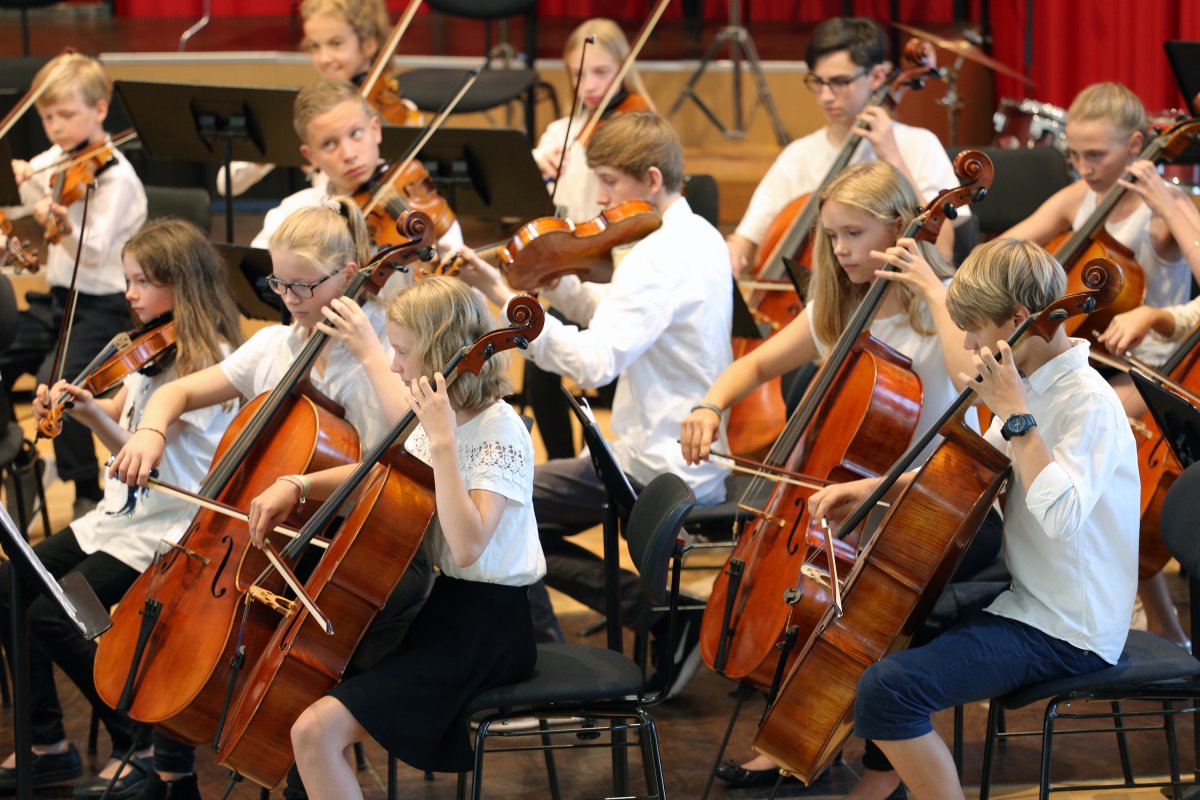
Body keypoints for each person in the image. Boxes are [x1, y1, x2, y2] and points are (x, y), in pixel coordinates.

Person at [680, 160, 996, 790]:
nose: (840, 249)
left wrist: (935, 291)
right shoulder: (843, 303)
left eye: (854, 233)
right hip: (856, 496)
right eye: (831, 236)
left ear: (904, 228)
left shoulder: (955, 302)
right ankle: (797, 730)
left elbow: (976, 382)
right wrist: (709, 404)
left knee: (873, 610)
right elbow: (760, 363)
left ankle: (883, 768)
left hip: (936, 501)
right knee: (814, 594)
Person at [109, 199, 432, 800]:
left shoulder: (374, 364)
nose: (289, 296)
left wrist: (300, 483)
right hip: (274, 541)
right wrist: (151, 429)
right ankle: (178, 771)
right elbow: (176, 393)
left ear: (350, 273)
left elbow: (397, 461)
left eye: (304, 284)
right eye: (278, 282)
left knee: (268, 664)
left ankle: (307, 766)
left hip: (346, 545)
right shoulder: (274, 348)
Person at [811, 238, 1138, 799]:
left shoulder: (1089, 403)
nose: (966, 343)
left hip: (1070, 626)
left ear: (1017, 320)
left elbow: (1060, 517)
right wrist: (875, 488)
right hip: (1031, 597)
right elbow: (974, 477)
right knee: (896, 619)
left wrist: (1015, 415)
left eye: (976, 329)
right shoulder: (1030, 384)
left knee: (890, 689)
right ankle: (884, 778)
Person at [453, 111, 731, 675]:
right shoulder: (696, 234)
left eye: (609, 181)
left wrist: (509, 300)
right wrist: (561, 285)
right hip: (660, 451)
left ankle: (547, 659)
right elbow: (624, 320)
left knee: (498, 502)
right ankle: (661, 616)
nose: (600, 198)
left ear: (650, 181)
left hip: (658, 466)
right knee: (510, 502)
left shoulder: (657, 257)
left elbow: (596, 362)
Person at [242, 276, 542, 799]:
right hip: (442, 611)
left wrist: (445, 442)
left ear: (443, 351)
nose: (396, 366)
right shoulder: (438, 419)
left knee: (315, 732)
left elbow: (469, 544)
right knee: (309, 698)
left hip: (488, 631)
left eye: (402, 351)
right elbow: (381, 473)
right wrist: (300, 483)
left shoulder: (500, 430)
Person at [0, 219, 242, 798]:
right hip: (117, 518)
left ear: (182, 284)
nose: (128, 293)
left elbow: (144, 453)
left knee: (55, 615)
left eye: (142, 281)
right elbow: (125, 428)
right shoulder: (151, 350)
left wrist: (96, 418)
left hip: (166, 531)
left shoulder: (210, 363)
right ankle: (46, 743)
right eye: (128, 279)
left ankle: (139, 739)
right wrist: (82, 406)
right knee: (11, 584)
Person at [1005, 82, 1193, 652]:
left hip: (1152, 373)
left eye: (1097, 155)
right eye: (1074, 156)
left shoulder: (1163, 213)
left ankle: (1092, 605)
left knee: (1090, 435)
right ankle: (1138, 617)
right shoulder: (1076, 199)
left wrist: (1167, 201)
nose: (1084, 168)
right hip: (1088, 360)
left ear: (1137, 144)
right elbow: (1007, 251)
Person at [0, 51, 147, 519]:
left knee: (55, 386)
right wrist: (21, 180)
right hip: (58, 301)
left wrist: (51, 213)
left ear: (99, 110)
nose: (56, 126)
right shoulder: (59, 158)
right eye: (47, 117)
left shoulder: (116, 176)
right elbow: (21, 203)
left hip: (104, 305)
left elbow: (97, 249)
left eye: (66, 114)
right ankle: (16, 454)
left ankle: (84, 485)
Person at [726, 17, 961, 277]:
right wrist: (732, 252)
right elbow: (745, 242)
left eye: (840, 82)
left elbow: (942, 251)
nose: (826, 96)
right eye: (818, 82)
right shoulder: (798, 156)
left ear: (877, 76)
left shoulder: (919, 145)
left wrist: (892, 157)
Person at [249, 78, 462, 257]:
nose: (349, 155)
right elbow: (261, 279)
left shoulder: (421, 202)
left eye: (356, 134)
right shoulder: (292, 213)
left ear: (376, 130)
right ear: (310, 156)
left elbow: (470, 295)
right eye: (329, 144)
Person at [219, 0, 394, 196]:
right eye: (315, 46)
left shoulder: (396, 111)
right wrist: (271, 148)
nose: (324, 59)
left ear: (368, 45)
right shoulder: (313, 114)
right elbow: (227, 184)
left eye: (336, 44)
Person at [533, 17, 653, 221]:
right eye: (578, 74)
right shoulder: (559, 132)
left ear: (623, 69)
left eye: (601, 72)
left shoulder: (640, 128)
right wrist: (537, 167)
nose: (589, 85)